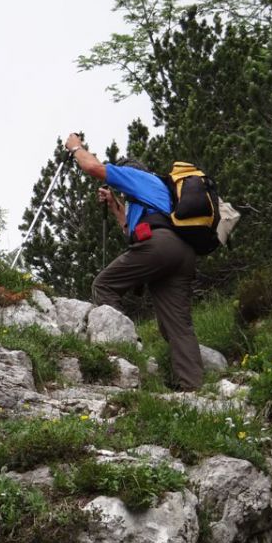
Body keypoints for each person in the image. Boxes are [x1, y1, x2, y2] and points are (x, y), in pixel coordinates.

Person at [64, 133, 204, 391]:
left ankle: (124, 354)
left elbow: (92, 166)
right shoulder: (160, 192)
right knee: (176, 326)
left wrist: (75, 147)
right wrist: (115, 204)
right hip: (182, 252)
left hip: (162, 247)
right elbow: (133, 230)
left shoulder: (137, 177)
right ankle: (194, 388)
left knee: (104, 285)